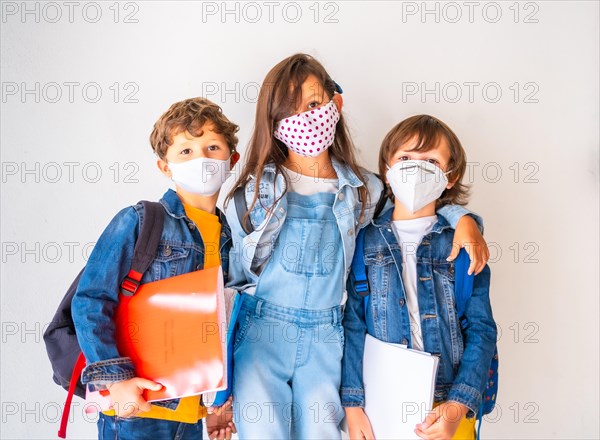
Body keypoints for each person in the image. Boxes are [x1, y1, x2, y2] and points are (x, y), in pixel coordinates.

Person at [225, 54, 488, 439]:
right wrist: (220, 389)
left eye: (315, 104)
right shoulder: (252, 194)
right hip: (263, 331)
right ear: (275, 123)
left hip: (328, 335)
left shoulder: (366, 191)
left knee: (322, 431)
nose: (307, 118)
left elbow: (413, 212)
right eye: (291, 110)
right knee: (261, 430)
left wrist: (463, 219)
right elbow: (229, 276)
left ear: (336, 103)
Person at [72, 97, 239, 440]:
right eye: (186, 151)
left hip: (192, 416)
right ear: (165, 167)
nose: (202, 159)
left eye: (212, 147)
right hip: (139, 411)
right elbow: (90, 300)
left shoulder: (232, 237)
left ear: (231, 160)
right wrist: (116, 381)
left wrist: (218, 404)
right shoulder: (140, 222)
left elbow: (220, 326)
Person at [341, 114, 497, 440]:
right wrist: (352, 405)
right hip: (382, 406)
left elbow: (481, 330)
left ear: (450, 177)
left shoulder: (465, 244)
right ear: (387, 169)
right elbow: (353, 325)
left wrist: (457, 406)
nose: (415, 168)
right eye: (405, 158)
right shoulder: (363, 241)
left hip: (448, 405)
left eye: (430, 160)